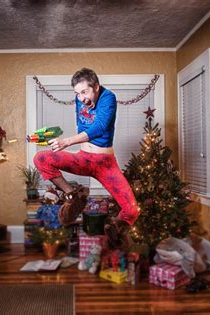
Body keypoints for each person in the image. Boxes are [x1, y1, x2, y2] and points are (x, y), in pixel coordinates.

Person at [33, 68, 139, 250]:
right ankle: (73, 195)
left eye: (84, 92)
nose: (81, 98)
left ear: (96, 87)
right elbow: (82, 123)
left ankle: (114, 231)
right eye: (77, 94)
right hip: (83, 158)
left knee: (131, 210)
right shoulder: (80, 99)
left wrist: (67, 141)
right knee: (41, 158)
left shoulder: (108, 98)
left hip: (105, 164)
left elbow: (99, 127)